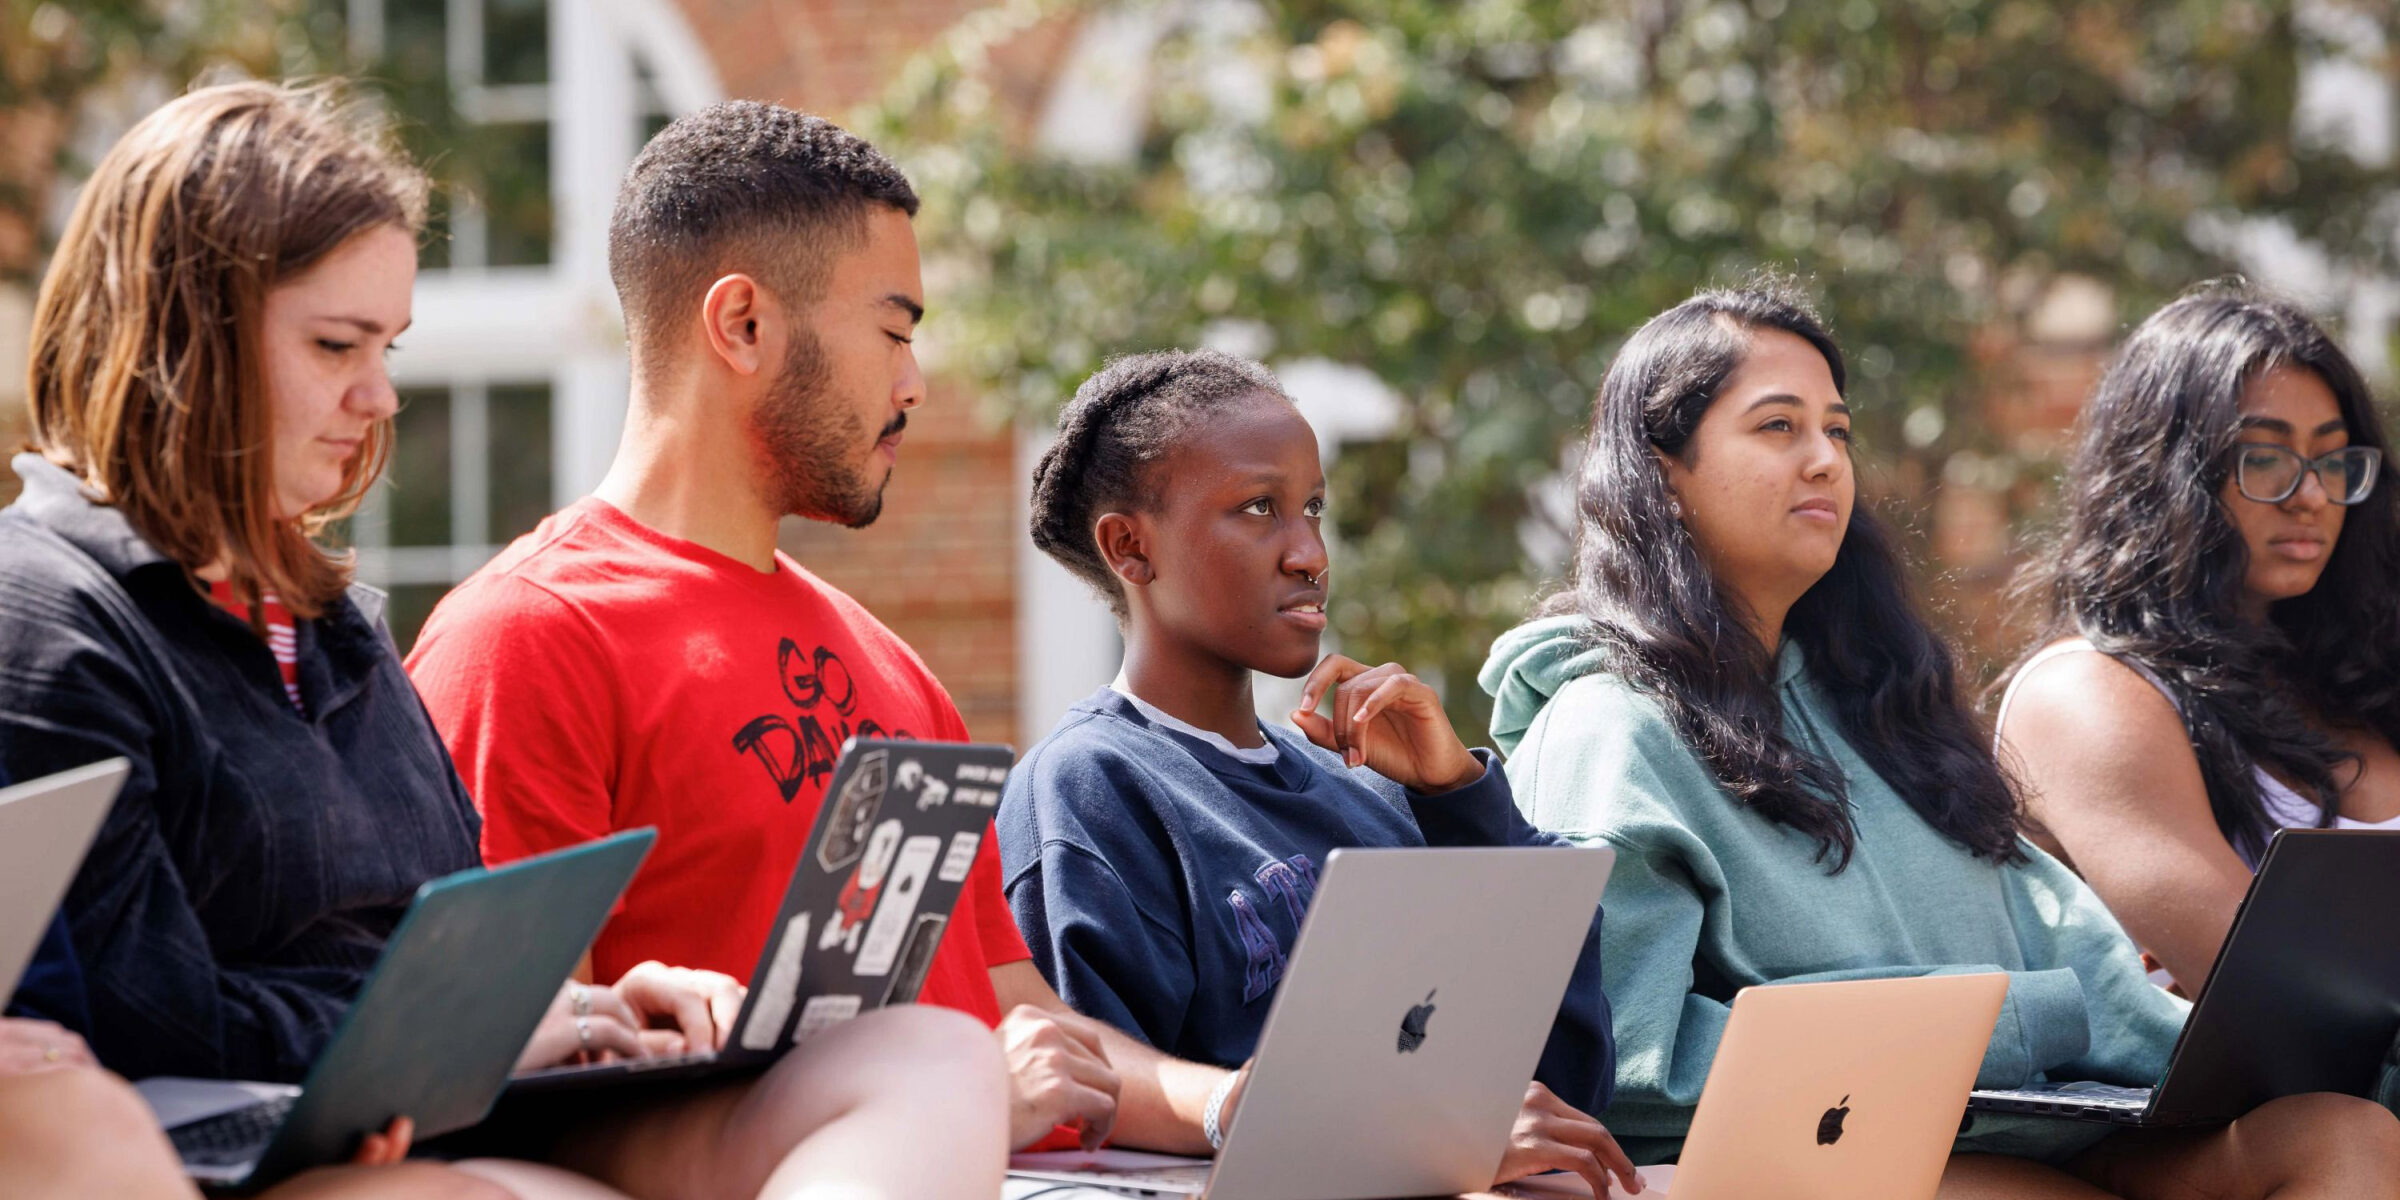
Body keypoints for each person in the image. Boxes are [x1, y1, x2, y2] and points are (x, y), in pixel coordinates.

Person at [0, 80, 1007, 1200]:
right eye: (337, 344)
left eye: (390, 345)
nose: (380, 397)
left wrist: (575, 1011)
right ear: (183, 332)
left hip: (418, 1118)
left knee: (932, 1050)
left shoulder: (339, 627)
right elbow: (145, 1014)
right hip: (255, 1149)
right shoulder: (47, 614)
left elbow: (449, 938)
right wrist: (425, 1033)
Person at [405, 100, 1219, 1156]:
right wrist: (953, 1104)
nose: (916, 382)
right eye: (894, 330)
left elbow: (1025, 1021)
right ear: (743, 323)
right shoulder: (525, 639)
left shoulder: (892, 666)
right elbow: (514, 1082)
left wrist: (1230, 1105)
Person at [1479, 280, 2400, 1198]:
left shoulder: (1886, 719)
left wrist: (2295, 1056)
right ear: (1662, 475)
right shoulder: (1609, 727)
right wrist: (1991, 1026)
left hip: (2040, 1124)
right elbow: (1626, 1058)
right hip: (1823, 1153)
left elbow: (2088, 979)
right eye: (1777, 427)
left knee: (2338, 1137)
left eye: (1836, 432)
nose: (1824, 462)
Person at [997, 348, 1643, 1196]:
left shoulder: (1372, 788)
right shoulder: (1090, 790)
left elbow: (1568, 1087)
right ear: (1129, 547)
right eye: (1259, 508)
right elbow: (1102, 1141)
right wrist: (1419, 1139)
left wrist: (1459, 797)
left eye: (1313, 509)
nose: (1309, 554)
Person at [1994, 283, 2400, 993]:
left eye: (2333, 460)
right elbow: (2277, 987)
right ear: (2167, 472)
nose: (2311, 494)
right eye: (2265, 456)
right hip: (2265, 1101)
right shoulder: (2086, 694)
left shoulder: (2364, 676)